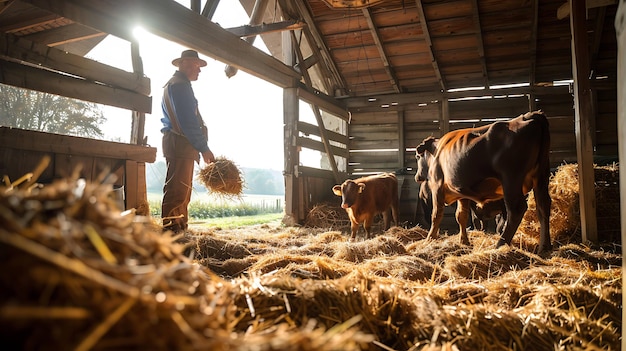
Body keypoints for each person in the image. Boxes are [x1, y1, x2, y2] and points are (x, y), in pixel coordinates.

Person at [160, 49, 215, 233]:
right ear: (182, 64)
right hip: (181, 143)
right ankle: (172, 231)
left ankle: (179, 228)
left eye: (199, 66)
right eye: (194, 64)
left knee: (182, 190)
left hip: (178, 143)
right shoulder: (180, 87)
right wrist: (203, 148)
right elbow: (188, 122)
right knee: (178, 191)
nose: (199, 69)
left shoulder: (175, 84)